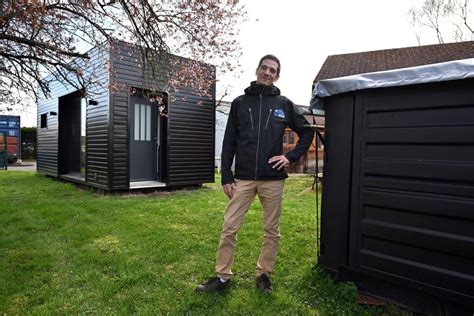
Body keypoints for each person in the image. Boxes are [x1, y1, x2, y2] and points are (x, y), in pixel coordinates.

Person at [196, 54, 313, 294]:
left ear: (277, 76)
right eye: (264, 68)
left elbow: (307, 133)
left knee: (271, 231)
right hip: (244, 178)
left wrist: (289, 158)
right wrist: (226, 175)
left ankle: (263, 275)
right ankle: (222, 277)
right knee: (229, 227)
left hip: (273, 179)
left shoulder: (284, 104)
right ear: (257, 70)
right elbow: (229, 141)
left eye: (273, 70)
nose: (267, 72)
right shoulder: (240, 103)